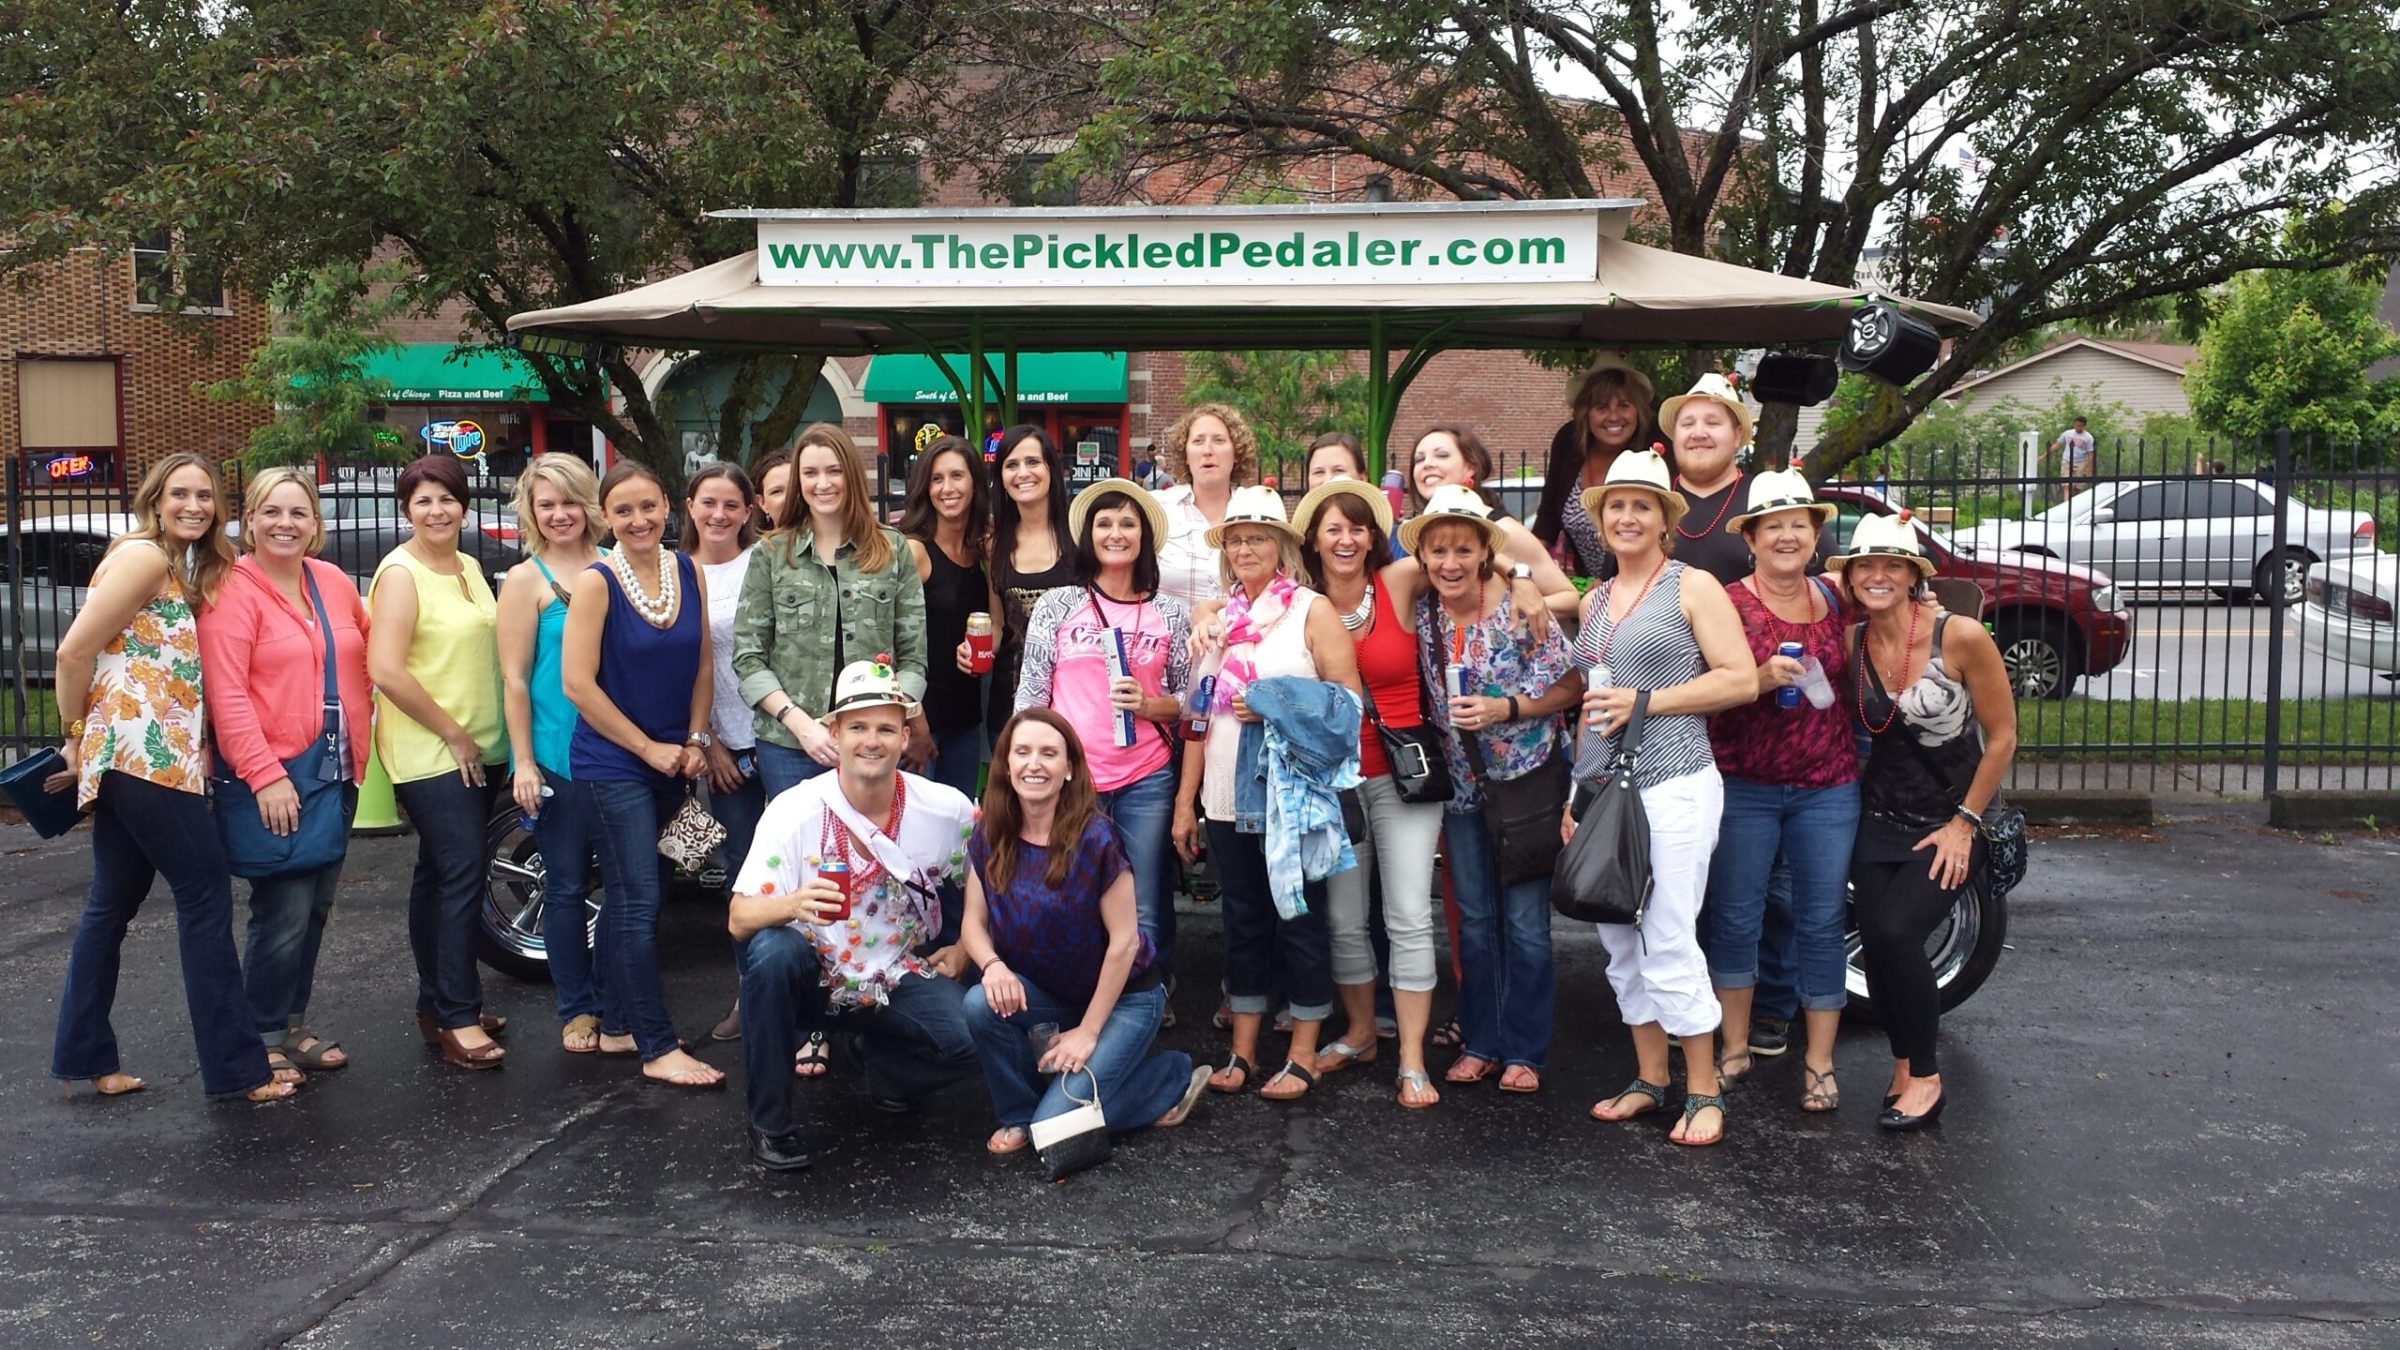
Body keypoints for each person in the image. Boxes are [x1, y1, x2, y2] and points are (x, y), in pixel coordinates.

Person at [47, 454, 291, 1103]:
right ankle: (240, 1072)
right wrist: (74, 740)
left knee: (110, 905)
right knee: (205, 896)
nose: (193, 505)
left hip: (140, 758)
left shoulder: (169, 563)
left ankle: (87, 1057)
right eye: (179, 493)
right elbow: (72, 652)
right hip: (140, 758)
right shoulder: (145, 557)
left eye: (204, 496)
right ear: (156, 500)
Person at [1569, 451, 1758, 1146]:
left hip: (1676, 779)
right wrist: (1574, 792)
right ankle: (1650, 1080)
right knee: (1619, 942)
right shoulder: (1592, 599)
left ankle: (1704, 1091)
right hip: (1603, 791)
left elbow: (1739, 680)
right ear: (1601, 518)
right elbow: (1593, 704)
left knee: (1667, 936)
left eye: (1641, 506)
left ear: (1664, 520)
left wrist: (1650, 700)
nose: (1626, 516)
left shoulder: (1692, 586)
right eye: (1615, 505)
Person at [727, 660, 983, 1171]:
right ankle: (770, 1125)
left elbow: (993, 875)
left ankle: (885, 1071)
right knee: (771, 952)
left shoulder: (946, 807)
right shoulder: (793, 809)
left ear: (905, 737)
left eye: (886, 728)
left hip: (894, 975)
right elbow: (738, 918)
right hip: (812, 977)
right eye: (858, 727)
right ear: (833, 733)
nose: (872, 741)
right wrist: (792, 905)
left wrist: (966, 945)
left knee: (977, 1038)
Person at [1172, 486, 1365, 1102]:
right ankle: (1244, 1050)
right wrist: (1188, 800)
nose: (1246, 547)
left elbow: (1347, 705)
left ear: (1282, 545)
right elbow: (1199, 716)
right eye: (1236, 538)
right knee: (1243, 921)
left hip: (1290, 798)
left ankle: (1303, 1050)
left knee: (1298, 920)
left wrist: (1268, 702)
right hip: (1227, 795)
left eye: (1258, 536)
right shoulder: (1219, 621)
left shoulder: (1311, 611)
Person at [1656, 372, 1827, 1058]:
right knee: (1703, 882)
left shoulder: (1759, 502)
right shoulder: (1655, 508)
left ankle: (1773, 1009)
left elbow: (1819, 581)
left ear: (1739, 433)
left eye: (1714, 421)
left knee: (1779, 888)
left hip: (1772, 719)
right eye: (1687, 421)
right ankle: (1699, 1009)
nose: (1699, 432)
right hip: (1687, 725)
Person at [1835, 513, 2018, 1131]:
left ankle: (1929, 1076)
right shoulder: (1852, 641)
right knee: (1880, 954)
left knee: (1892, 934)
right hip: (1879, 816)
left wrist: (1965, 823)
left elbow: (2004, 737)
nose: (1877, 575)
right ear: (1852, 576)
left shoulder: (1959, 636)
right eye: (1866, 565)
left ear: (1915, 576)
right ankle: (1904, 1062)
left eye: (1893, 565)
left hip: (1949, 819)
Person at [960, 711, 1212, 1156]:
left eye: (1048, 753)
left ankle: (1168, 1077)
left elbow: (1126, 942)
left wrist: (1089, 1032)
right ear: (1006, 764)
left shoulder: (1096, 837)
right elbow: (973, 923)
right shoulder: (990, 832)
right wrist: (993, 966)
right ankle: (1022, 1113)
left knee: (1054, 1129)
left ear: (1069, 768)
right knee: (980, 1002)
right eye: (1022, 752)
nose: (1034, 764)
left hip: (1124, 1000)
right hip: (1052, 993)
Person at [197, 467, 374, 1083]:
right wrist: (263, 775)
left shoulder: (330, 581)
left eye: (298, 513)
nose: (285, 524)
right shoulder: (231, 590)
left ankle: (290, 1023)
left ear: (316, 525)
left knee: (318, 903)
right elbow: (226, 694)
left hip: (339, 769)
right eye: (271, 512)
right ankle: (262, 1034)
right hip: (275, 773)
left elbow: (367, 651)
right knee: (284, 906)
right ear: (248, 522)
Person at [1405, 485, 1583, 1097]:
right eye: (1438, 550)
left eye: (1462, 548)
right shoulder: (1425, 611)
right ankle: (1482, 1041)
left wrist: (1509, 705)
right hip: (1460, 792)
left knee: (1527, 925)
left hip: (1526, 785)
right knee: (1475, 923)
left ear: (1485, 551)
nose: (1449, 563)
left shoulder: (1517, 607)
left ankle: (1526, 1051)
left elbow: (1572, 687)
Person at [561, 462, 724, 1090]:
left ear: (667, 508)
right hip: (612, 763)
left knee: (643, 894)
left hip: (674, 759)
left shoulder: (690, 573)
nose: (638, 520)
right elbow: (577, 683)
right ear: (606, 517)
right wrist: (648, 748)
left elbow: (704, 663)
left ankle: (617, 1024)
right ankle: (656, 1046)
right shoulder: (597, 581)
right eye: (623, 511)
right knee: (638, 901)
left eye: (648, 507)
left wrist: (694, 739)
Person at [1699, 470, 1859, 1111]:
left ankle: (1818, 1062)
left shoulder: (1835, 596)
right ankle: (1734, 1046)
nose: (1787, 535)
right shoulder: (1728, 602)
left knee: (1821, 922)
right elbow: (1703, 684)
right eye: (1774, 526)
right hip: (1745, 782)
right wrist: (1759, 677)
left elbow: (1901, 607)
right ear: (1753, 538)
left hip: (1828, 783)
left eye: (1800, 524)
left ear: (1816, 535)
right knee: (1735, 916)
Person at [1293, 478, 1448, 1109]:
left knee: (1408, 913)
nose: (1346, 539)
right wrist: (1201, 617)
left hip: (1404, 773)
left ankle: (1412, 1058)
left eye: (1357, 527)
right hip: (1334, 780)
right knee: (1343, 919)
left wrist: (1519, 577)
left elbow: (1476, 544)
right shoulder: (1298, 598)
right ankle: (1361, 1032)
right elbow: (1220, 602)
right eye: (1333, 528)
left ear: (1373, 534)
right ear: (1314, 539)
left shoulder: (1401, 579)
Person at [1013, 479, 1191, 986]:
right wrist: (1027, 764)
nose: (1116, 533)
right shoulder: (1058, 604)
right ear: (1089, 535)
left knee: (1144, 892)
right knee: (1073, 885)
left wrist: (1149, 703)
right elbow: (1030, 695)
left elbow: (1188, 702)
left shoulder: (1169, 613)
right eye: (1105, 523)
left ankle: (1148, 994)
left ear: (1144, 537)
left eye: (1127, 523)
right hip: (1075, 777)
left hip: (1146, 776)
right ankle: (1083, 990)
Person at [368, 454, 509, 1071]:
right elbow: (386, 670)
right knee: (462, 874)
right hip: (434, 749)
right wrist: (452, 733)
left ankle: (436, 1003)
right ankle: (457, 1016)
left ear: (464, 504)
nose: (437, 510)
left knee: (439, 875)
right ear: (407, 509)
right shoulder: (400, 573)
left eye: (447, 498)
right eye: (423, 500)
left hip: (481, 746)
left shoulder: (470, 565)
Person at [733, 422, 930, 800]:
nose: (822, 483)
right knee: (803, 855)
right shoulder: (772, 554)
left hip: (873, 746)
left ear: (851, 475)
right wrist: (801, 725)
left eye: (833, 470)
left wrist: (884, 724)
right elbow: (748, 658)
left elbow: (914, 659)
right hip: (790, 745)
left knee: (872, 852)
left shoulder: (892, 550)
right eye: (810, 473)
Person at [496, 452, 609, 1053]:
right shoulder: (525, 580)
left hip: (619, 758)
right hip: (556, 760)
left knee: (628, 888)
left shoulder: (617, 568)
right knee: (565, 887)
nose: (560, 514)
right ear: (531, 512)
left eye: (569, 501)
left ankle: (619, 998)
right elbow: (514, 679)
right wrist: (523, 763)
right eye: (547, 504)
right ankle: (578, 1008)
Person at [685, 462, 767, 895]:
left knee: (804, 853)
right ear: (689, 508)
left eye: (731, 505)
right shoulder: (675, 572)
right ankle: (749, 961)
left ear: (748, 511)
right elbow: (675, 668)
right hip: (724, 744)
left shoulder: (765, 562)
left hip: (778, 731)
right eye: (709, 503)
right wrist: (708, 742)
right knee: (744, 859)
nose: (719, 514)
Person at [1404, 425, 1582, 620]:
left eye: (1442, 455)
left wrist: (1505, 613)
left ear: (1470, 467)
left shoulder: (1504, 529)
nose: (1427, 464)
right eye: (1419, 459)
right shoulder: (1417, 530)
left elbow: (1569, 599)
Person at [899, 434, 992, 805]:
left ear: (974, 482)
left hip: (966, 723)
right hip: (921, 722)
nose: (947, 488)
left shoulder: (982, 549)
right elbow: (888, 646)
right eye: (937, 479)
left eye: (957, 476)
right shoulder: (914, 550)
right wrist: (913, 719)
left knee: (957, 841)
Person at [984, 425, 1076, 739]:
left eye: (1033, 462)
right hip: (1010, 699)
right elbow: (998, 626)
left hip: (1073, 700)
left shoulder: (1080, 536)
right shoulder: (993, 544)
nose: (1023, 473)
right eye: (1012, 465)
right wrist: (975, 650)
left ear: (1052, 468)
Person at [1532, 355, 1661, 578]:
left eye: (1624, 405)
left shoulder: (1655, 447)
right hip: (1590, 590)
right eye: (1601, 407)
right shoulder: (1568, 442)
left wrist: (1612, 583)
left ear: (1637, 411)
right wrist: (1524, 572)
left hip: (1648, 585)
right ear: (1586, 414)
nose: (1613, 416)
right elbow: (1547, 519)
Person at [1152, 403, 1258, 612]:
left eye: (1218, 441)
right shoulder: (1158, 509)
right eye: (1198, 441)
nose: (1207, 451)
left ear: (1236, 453)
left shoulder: (1255, 509)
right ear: (1186, 455)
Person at [2049, 415, 2096, 497]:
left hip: (2080, 462)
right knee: (2066, 485)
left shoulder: (2088, 438)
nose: (2078, 428)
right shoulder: (2068, 434)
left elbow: (2090, 454)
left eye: (2080, 426)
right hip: (2067, 461)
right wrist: (2044, 456)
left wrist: (2089, 470)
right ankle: (2066, 504)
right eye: (2076, 425)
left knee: (2078, 487)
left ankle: (2074, 502)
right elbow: (2057, 445)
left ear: (2084, 426)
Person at [750, 447, 793, 534]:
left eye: (795, 487)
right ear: (762, 502)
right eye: (776, 491)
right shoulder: (760, 548)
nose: (789, 498)